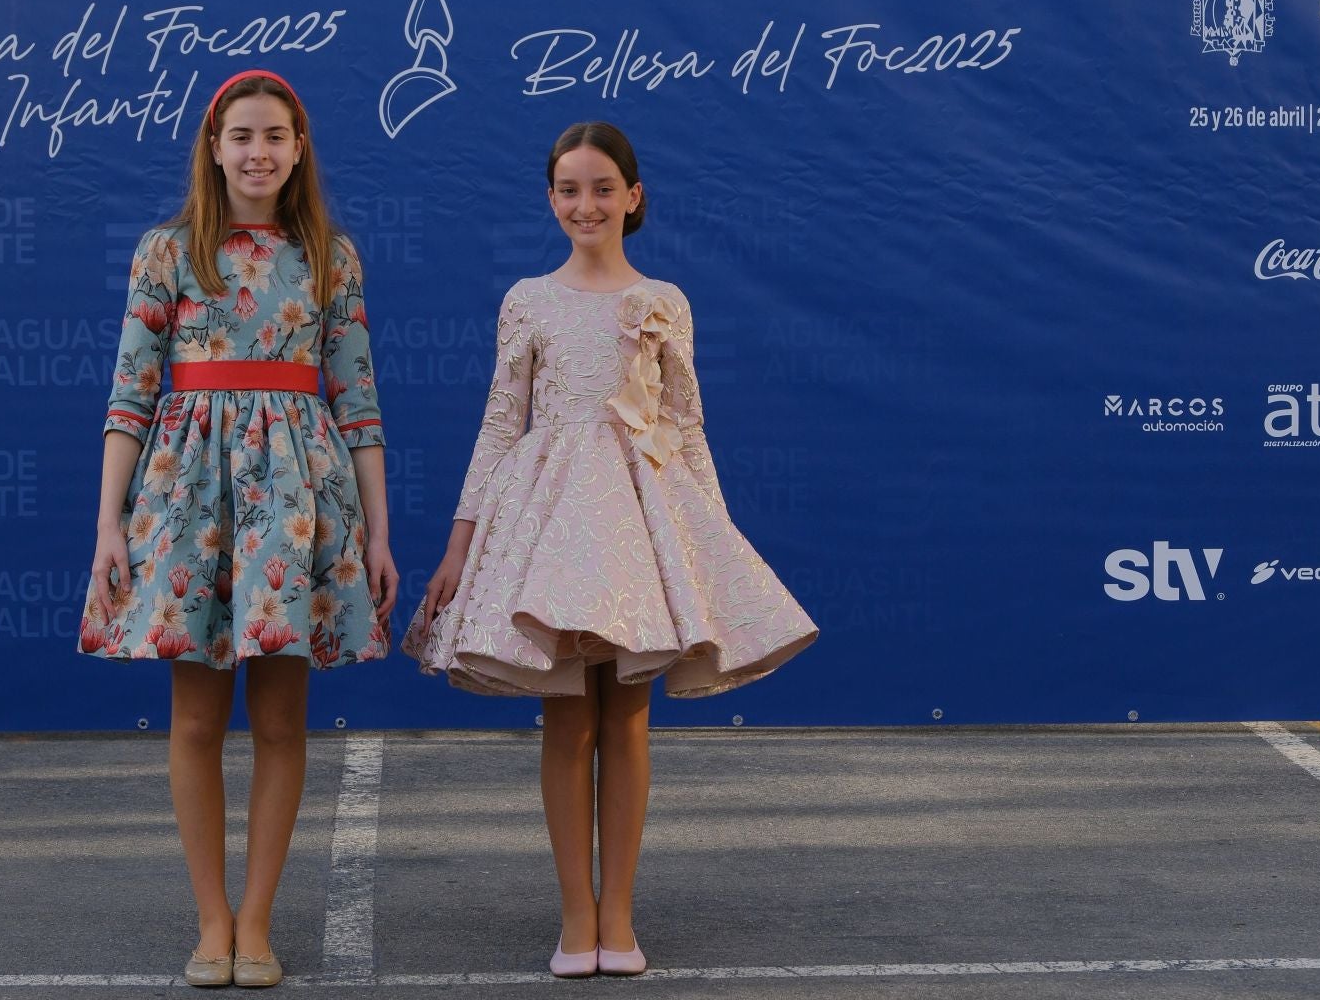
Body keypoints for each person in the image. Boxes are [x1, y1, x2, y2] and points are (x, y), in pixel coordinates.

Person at [403, 121, 817, 978]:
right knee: (567, 714)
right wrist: (459, 545)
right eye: (567, 189)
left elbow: (684, 423)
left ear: (632, 196)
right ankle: (576, 916)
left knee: (627, 715)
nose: (584, 204)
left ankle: (620, 918)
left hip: (639, 519)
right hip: (548, 520)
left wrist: (712, 537)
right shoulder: (528, 299)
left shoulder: (666, 299)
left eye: (600, 188)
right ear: (549, 199)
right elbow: (497, 424)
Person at [78, 69, 398, 989]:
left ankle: (257, 919)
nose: (258, 151)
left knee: (284, 719)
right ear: (213, 148)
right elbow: (129, 397)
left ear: (299, 151)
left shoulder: (331, 257)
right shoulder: (167, 253)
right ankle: (210, 918)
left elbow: (361, 402)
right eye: (242, 135)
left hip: (299, 502)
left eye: (275, 136)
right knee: (192, 717)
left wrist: (376, 534)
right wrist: (108, 524)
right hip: (188, 499)